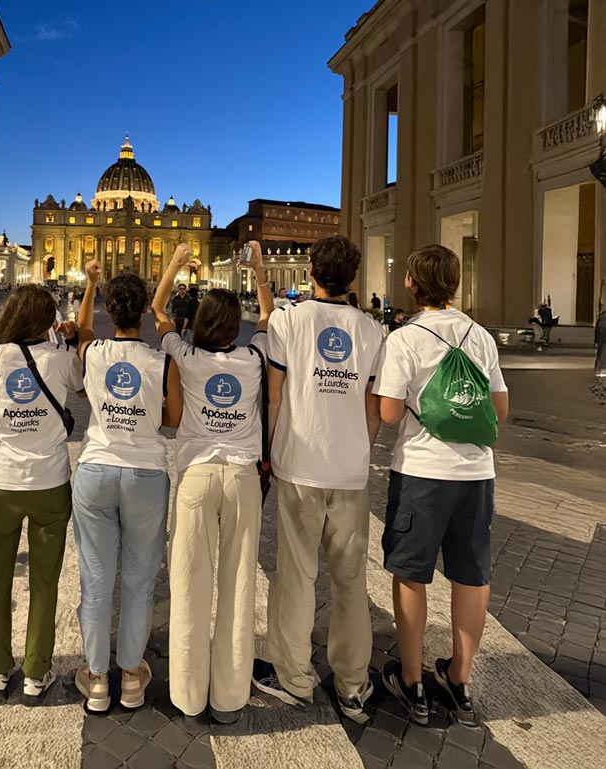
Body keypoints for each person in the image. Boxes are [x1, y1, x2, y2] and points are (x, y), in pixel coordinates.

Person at [373, 244, 509, 727]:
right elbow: (499, 410)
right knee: (472, 574)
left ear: (411, 284)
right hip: (476, 474)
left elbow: (388, 413)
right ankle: (460, 678)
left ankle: (411, 680)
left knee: (412, 573)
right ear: (455, 283)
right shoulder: (481, 336)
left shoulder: (406, 339)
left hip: (423, 472)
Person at [252, 235, 384, 725]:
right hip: (349, 469)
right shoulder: (372, 330)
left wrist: (268, 450)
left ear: (310, 271)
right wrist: (360, 449)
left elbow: (274, 394)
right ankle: (353, 682)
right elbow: (374, 406)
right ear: (351, 277)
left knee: (297, 573)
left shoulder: (290, 321)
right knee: (351, 579)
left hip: (299, 464)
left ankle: (294, 676)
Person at [153, 241, 273, 725]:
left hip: (198, 477)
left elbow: (157, 309)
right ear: (235, 327)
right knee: (240, 586)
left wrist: (176, 265)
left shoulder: (186, 355)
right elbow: (267, 318)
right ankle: (228, 698)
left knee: (188, 586)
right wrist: (260, 272)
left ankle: (187, 695)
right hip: (243, 477)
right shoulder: (254, 359)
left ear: (200, 322)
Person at [72, 260, 183, 712]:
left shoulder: (93, 352)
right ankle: (133, 676)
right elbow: (173, 420)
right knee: (139, 580)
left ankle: (98, 678)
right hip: (145, 475)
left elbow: (80, 329)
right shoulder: (162, 361)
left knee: (96, 579)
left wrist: (90, 283)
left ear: (109, 312)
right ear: (141, 314)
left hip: (96, 470)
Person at [0, 284, 83, 704]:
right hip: (50, 482)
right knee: (44, 581)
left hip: (2, 481)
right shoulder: (60, 359)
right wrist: (64, 338)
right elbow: (77, 386)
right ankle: (36, 671)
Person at [596, 309, 606, 380]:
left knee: (601, 354)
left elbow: (597, 331)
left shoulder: (600, 321)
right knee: (602, 355)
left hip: (602, 340)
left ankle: (599, 369)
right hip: (603, 340)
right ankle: (601, 369)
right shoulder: (602, 321)